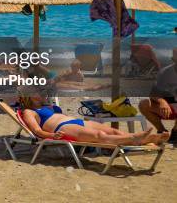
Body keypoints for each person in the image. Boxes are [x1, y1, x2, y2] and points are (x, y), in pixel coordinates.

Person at [19, 94, 169, 145]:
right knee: (100, 137)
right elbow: (37, 130)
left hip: (77, 122)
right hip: (62, 128)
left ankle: (149, 139)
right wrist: (52, 136)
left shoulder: (50, 106)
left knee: (113, 130)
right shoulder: (28, 111)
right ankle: (136, 138)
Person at [139, 48, 177, 144]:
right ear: (173, 59)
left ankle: (175, 132)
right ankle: (162, 131)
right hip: (168, 107)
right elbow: (153, 93)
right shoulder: (165, 72)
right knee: (144, 104)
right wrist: (162, 102)